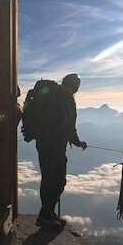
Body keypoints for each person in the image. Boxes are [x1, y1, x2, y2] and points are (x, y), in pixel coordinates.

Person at [35, 73, 87, 230]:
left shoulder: (49, 95)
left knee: (47, 179)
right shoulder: (67, 99)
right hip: (56, 146)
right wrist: (78, 142)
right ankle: (45, 215)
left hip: (42, 144)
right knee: (58, 181)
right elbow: (69, 125)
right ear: (75, 87)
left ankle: (48, 214)